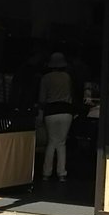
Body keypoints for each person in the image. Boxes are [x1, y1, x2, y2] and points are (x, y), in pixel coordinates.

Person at [39, 52, 76, 182]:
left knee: (51, 142)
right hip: (66, 111)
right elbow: (71, 94)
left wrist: (40, 113)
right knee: (61, 143)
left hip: (51, 111)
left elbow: (42, 99)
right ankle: (61, 173)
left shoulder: (46, 78)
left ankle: (46, 172)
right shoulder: (67, 77)